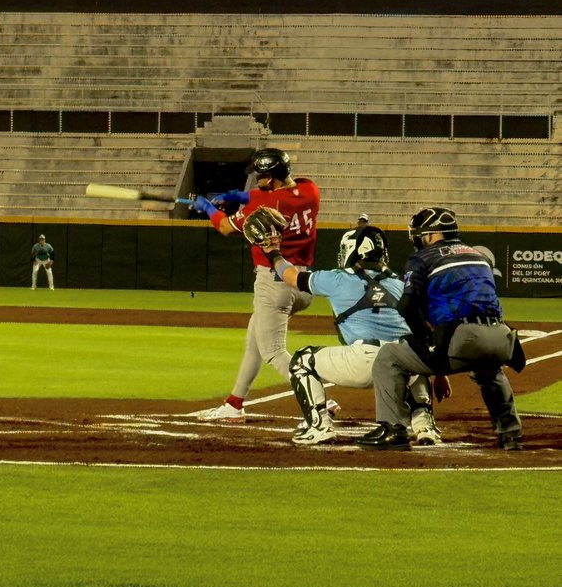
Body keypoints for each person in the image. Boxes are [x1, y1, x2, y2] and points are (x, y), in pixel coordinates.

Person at [259, 220, 443, 445]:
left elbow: (292, 277)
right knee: (414, 357)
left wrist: (273, 252)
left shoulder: (338, 278)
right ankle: (425, 425)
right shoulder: (399, 283)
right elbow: (424, 330)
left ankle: (319, 426)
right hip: (400, 364)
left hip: (363, 360)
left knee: (302, 360)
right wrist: (438, 373)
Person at [357, 208, 525, 451]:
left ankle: (393, 428)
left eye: (420, 234)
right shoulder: (479, 256)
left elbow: (407, 306)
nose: (417, 238)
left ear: (432, 234)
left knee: (389, 356)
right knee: (489, 370)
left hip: (464, 339)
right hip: (501, 337)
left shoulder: (424, 258)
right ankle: (511, 434)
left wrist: (426, 341)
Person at [188, 147, 319, 422]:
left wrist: (208, 208)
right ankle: (234, 403)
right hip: (304, 282)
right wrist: (237, 196)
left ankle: (318, 401)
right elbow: (267, 195)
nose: (258, 179)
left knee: (273, 351)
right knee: (254, 343)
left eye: (262, 176)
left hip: (275, 283)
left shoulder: (266, 206)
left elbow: (224, 227)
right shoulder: (310, 191)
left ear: (272, 178)